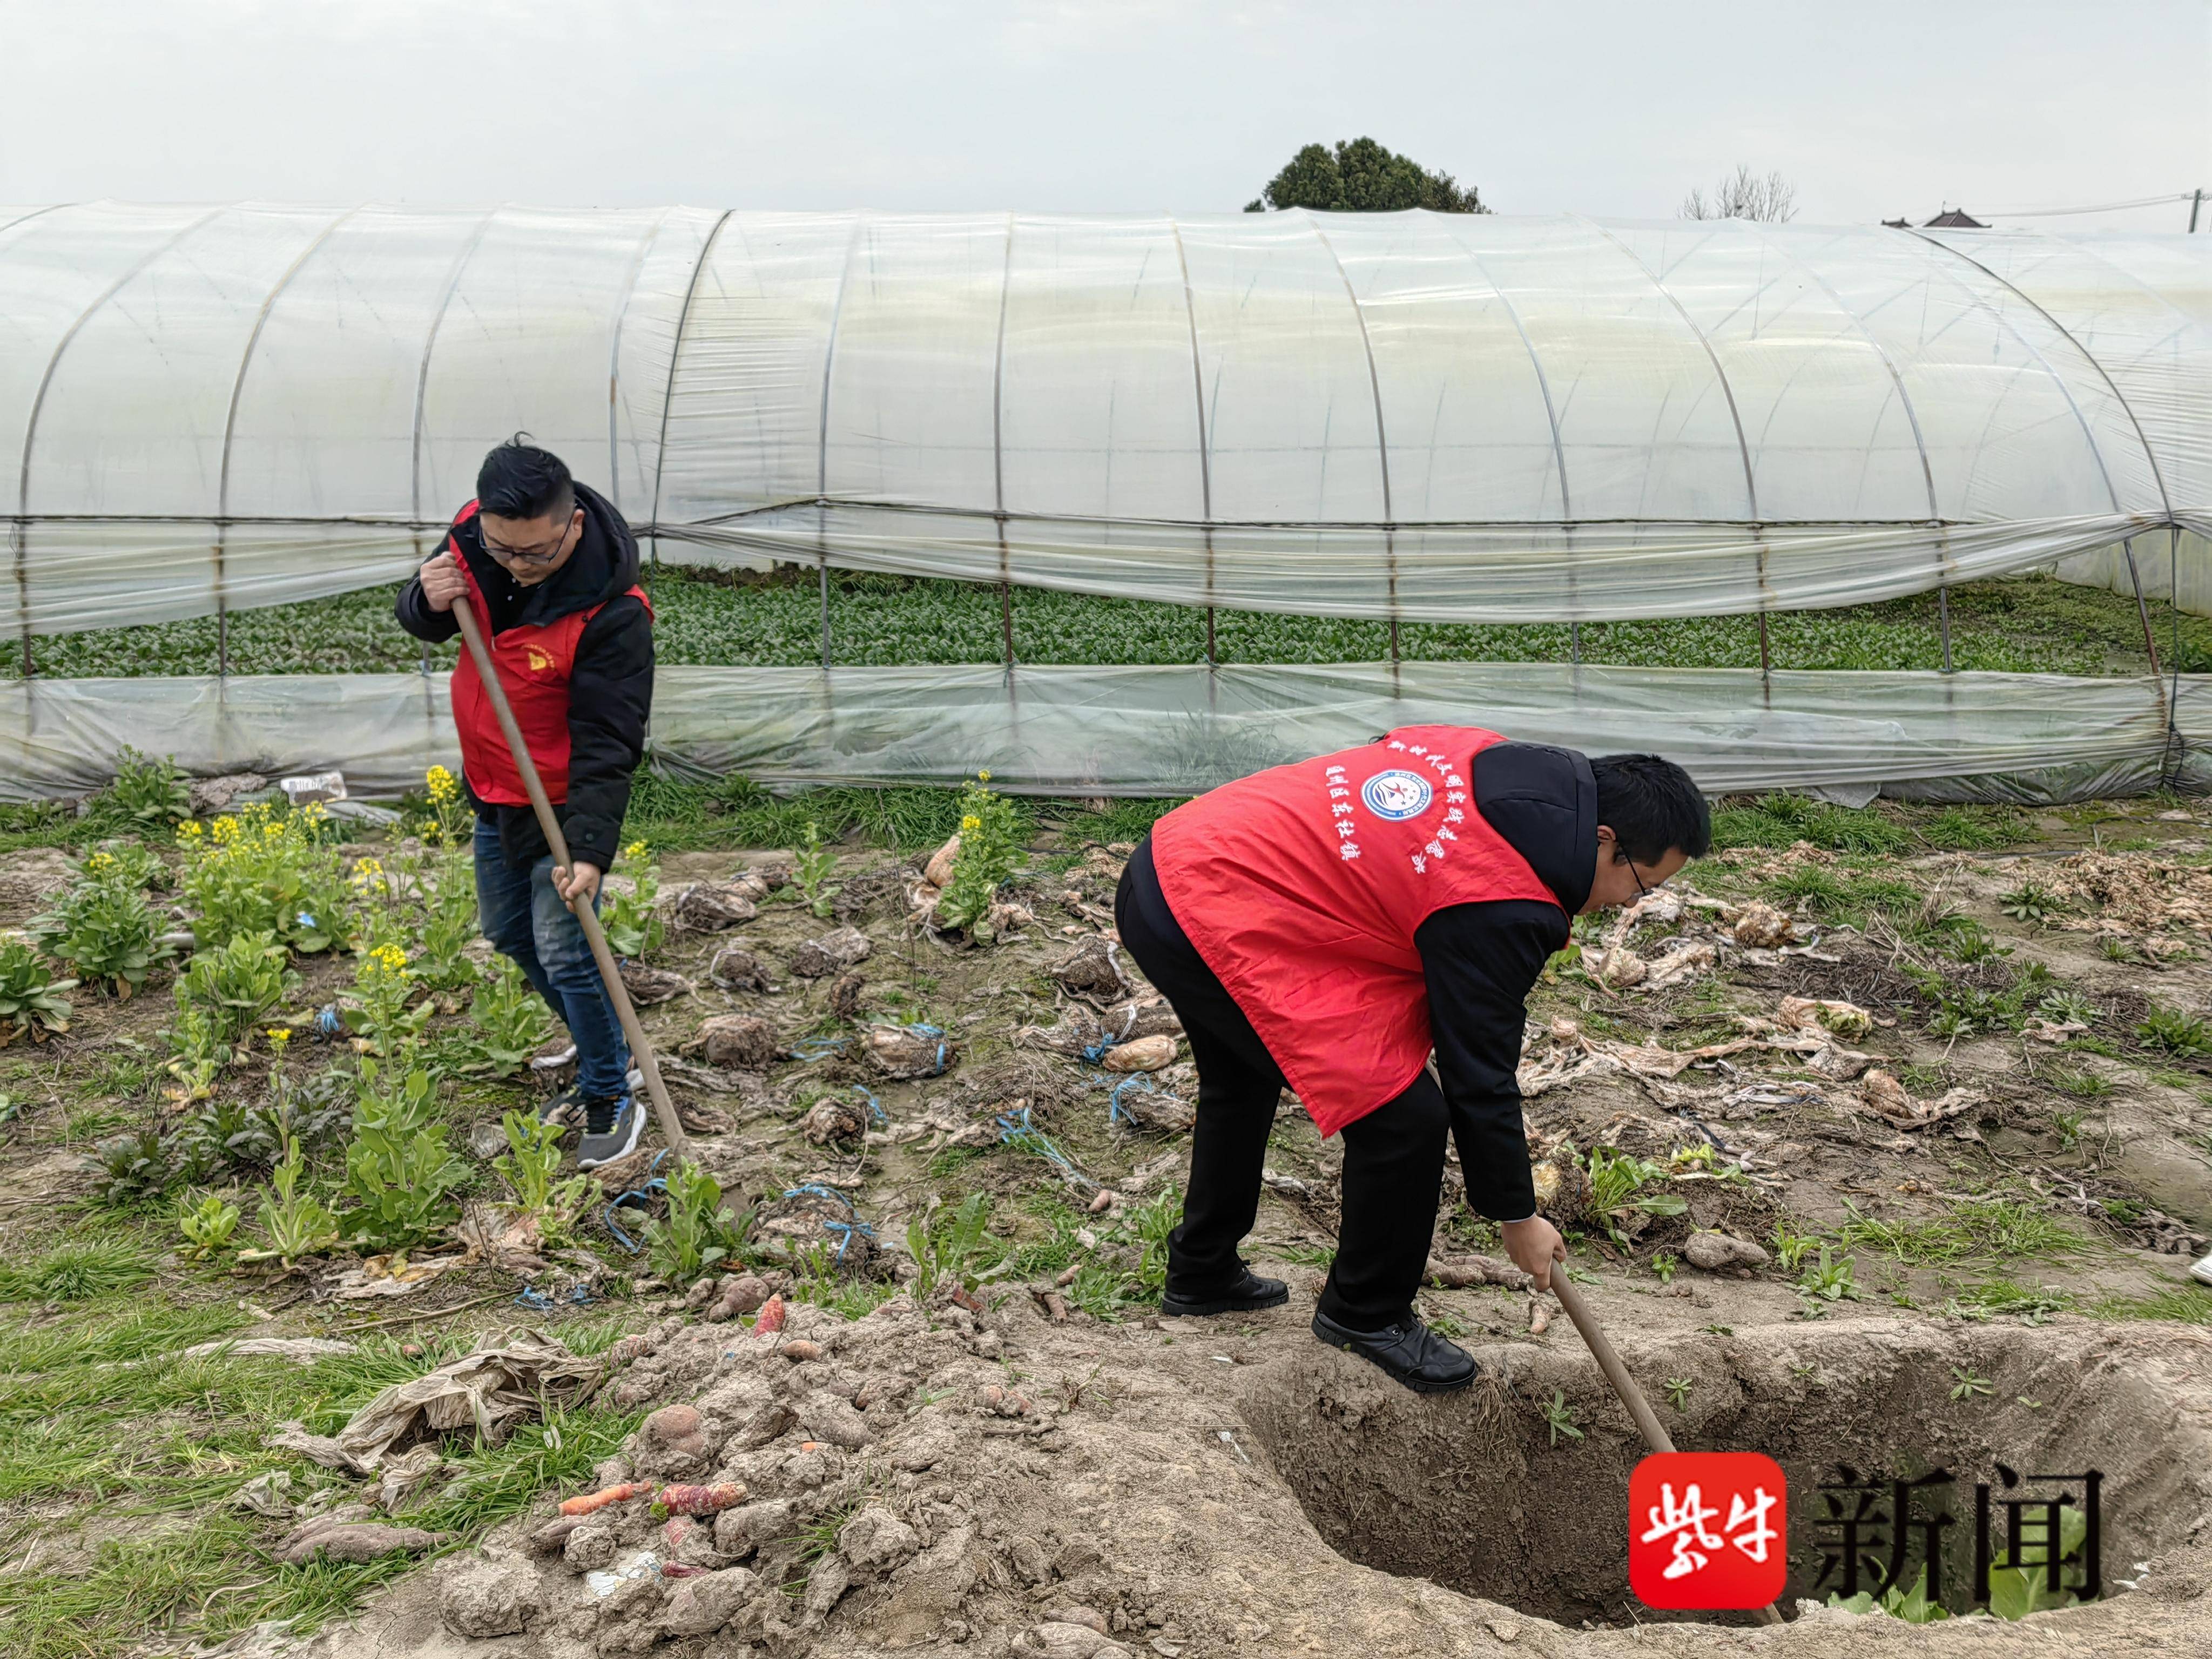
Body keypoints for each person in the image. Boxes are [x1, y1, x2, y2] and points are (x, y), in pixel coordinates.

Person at [1114, 729, 1710, 1393]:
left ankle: (1201, 1271)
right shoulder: (1503, 900)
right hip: (1216, 904)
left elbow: (1385, 753)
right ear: (1604, 839)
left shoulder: (1516, 762)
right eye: (1640, 884)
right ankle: (1366, 1314)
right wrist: (1517, 1217)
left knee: (1240, 1078)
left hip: (1177, 858)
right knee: (1404, 1121)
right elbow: (1478, 1072)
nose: (1631, 904)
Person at [397, 436, 655, 1169]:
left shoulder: (613, 612)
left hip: (562, 806)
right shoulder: (477, 536)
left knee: (569, 955)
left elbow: (610, 739)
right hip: (493, 788)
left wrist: (591, 852)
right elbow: (428, 614)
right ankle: (604, 1036)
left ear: (571, 524)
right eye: (501, 549)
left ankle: (611, 1089)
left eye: (534, 555)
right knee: (508, 932)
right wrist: (426, 598)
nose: (514, 565)